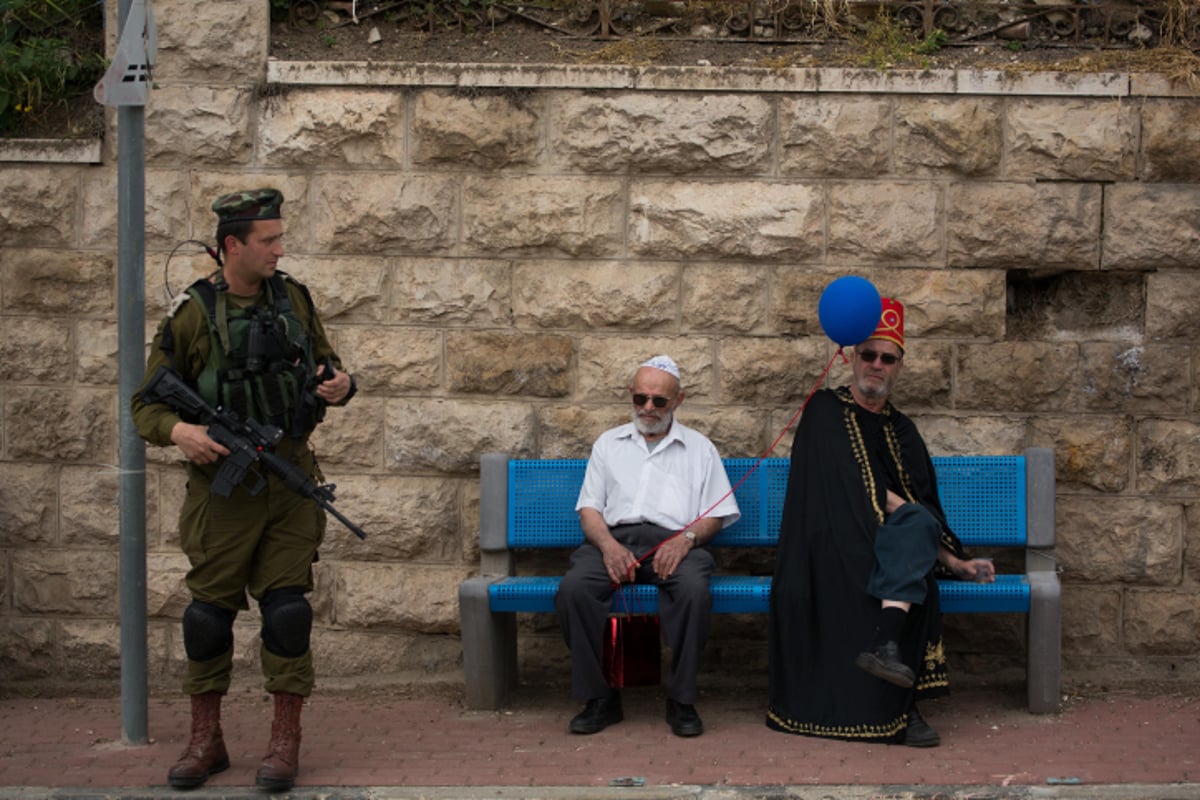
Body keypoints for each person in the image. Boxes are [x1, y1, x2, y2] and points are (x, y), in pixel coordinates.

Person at [131, 188, 357, 791]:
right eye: (268, 241)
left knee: (287, 612)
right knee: (208, 617)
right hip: (223, 494)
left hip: (287, 480)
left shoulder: (295, 300)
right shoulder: (193, 315)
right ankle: (206, 739)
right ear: (232, 245)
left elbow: (330, 366)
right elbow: (145, 404)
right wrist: (182, 430)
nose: (279, 250)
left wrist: (340, 385)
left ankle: (285, 743)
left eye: (280, 239)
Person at [766, 298, 994, 747]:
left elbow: (926, 509)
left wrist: (955, 562)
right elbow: (846, 482)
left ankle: (891, 672)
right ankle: (900, 698)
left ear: (899, 367)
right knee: (904, 563)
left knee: (909, 555)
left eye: (887, 358)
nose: (876, 365)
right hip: (826, 544)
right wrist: (907, 515)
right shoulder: (824, 410)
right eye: (868, 355)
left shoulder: (902, 429)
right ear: (851, 359)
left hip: (894, 549)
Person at [554, 355, 741, 737]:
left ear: (679, 400)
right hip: (614, 541)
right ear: (631, 396)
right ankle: (601, 698)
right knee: (574, 591)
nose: (648, 408)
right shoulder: (609, 444)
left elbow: (717, 513)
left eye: (660, 401)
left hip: (675, 545)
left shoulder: (700, 449)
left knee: (693, 592)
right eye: (641, 399)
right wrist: (607, 546)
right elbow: (589, 509)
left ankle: (681, 699)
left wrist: (686, 540)